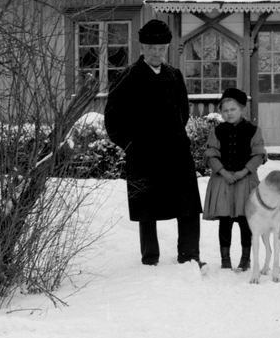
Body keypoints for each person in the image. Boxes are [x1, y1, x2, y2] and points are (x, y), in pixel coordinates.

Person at [103, 18, 203, 268]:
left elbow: (183, 111)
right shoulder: (126, 77)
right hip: (143, 154)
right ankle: (150, 258)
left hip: (176, 152)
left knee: (188, 205)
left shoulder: (174, 75)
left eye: (162, 48)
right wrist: (132, 146)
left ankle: (189, 256)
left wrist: (177, 134)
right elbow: (112, 120)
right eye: (152, 47)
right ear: (143, 47)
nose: (158, 52)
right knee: (147, 207)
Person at [202, 87, 266, 271]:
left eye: (233, 110)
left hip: (245, 181)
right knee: (225, 220)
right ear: (221, 112)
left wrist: (243, 172)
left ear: (242, 110)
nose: (229, 114)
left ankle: (245, 259)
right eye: (225, 110)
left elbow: (258, 155)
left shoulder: (253, 131)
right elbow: (211, 154)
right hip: (223, 181)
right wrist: (222, 172)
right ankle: (225, 260)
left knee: (245, 220)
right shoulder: (217, 131)